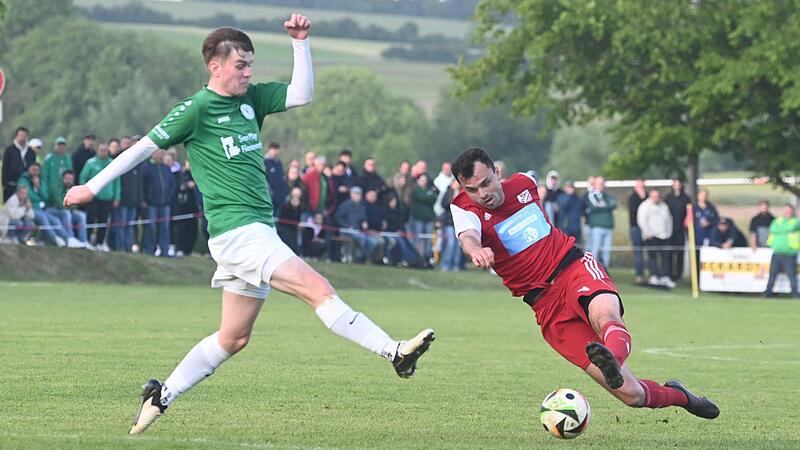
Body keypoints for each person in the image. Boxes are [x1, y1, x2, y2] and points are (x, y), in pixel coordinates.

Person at [64, 20, 434, 435]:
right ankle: (394, 352)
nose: (248, 73)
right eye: (241, 65)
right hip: (238, 233)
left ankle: (161, 395)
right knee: (319, 289)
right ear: (215, 66)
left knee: (233, 338)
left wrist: (301, 44)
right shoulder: (196, 109)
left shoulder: (252, 101)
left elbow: (302, 94)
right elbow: (143, 148)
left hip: (258, 232)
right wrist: (90, 187)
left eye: (250, 65)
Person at [449, 147, 718, 420]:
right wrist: (474, 250)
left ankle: (611, 358)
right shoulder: (463, 208)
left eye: (486, 183)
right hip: (546, 306)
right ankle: (681, 396)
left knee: (605, 315)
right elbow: (468, 235)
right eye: (472, 189)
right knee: (633, 395)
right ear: (462, 189)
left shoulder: (524, 184)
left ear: (497, 172)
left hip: (573, 268)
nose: (483, 194)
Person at [80, 143, 120, 251]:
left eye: (105, 150)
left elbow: (116, 181)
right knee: (91, 220)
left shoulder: (112, 163)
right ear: (98, 151)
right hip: (93, 197)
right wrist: (85, 192)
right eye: (101, 150)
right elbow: (83, 178)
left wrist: (116, 197)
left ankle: (100, 243)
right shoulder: (91, 163)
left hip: (107, 198)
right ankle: (87, 241)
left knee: (103, 222)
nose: (103, 152)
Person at [636, 190, 675, 288]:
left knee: (666, 257)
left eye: (657, 196)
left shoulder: (664, 206)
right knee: (652, 257)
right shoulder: (645, 206)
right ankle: (654, 276)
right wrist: (647, 233)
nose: (656, 198)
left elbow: (669, 219)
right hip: (652, 236)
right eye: (654, 196)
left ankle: (665, 277)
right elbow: (641, 220)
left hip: (664, 236)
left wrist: (669, 233)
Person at [763, 204, 799, 298]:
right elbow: (772, 228)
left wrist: (779, 229)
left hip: (790, 253)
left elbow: (790, 228)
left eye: (789, 211)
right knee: (772, 274)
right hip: (777, 253)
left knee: (791, 275)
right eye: (786, 211)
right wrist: (783, 229)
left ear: (792, 212)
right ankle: (768, 293)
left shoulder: (796, 221)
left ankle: (794, 294)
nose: (787, 213)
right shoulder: (777, 220)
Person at [585, 176, 617, 268]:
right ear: (594, 184)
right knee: (595, 249)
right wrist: (607, 207)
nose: (601, 185)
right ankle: (593, 271)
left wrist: (604, 206)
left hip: (608, 227)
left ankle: (605, 272)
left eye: (602, 183)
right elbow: (594, 207)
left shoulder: (608, 195)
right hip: (597, 227)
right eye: (599, 183)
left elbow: (614, 204)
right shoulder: (591, 195)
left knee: (606, 251)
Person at [664, 178, 691, 282]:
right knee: (670, 253)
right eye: (675, 184)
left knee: (680, 253)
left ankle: (678, 275)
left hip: (681, 230)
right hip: (669, 230)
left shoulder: (686, 198)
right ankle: (669, 275)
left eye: (678, 184)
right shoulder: (668, 198)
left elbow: (689, 213)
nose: (677, 186)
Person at [409, 172, 438, 267]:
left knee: (428, 240)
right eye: (422, 180)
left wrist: (430, 195)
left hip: (429, 218)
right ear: (418, 181)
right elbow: (423, 198)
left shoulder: (429, 190)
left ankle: (427, 258)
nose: (424, 182)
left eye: (425, 180)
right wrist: (429, 195)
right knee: (418, 239)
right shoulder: (415, 190)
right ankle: (417, 258)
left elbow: (434, 198)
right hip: (418, 218)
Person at [2, 127, 34, 202]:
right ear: (16, 136)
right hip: (11, 183)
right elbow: (5, 168)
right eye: (20, 135)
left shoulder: (30, 152)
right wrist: (5, 184)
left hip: (26, 184)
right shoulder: (9, 150)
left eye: (24, 136)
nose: (23, 138)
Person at [627, 179, 647, 284]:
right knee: (638, 252)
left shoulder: (648, 197)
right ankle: (639, 275)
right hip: (636, 228)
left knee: (651, 252)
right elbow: (635, 211)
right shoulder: (633, 198)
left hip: (648, 230)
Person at [263, 142, 288, 215]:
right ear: (269, 150)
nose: (275, 152)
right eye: (273, 149)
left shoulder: (279, 163)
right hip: (268, 199)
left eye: (277, 150)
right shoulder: (264, 162)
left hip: (278, 199)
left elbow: (282, 179)